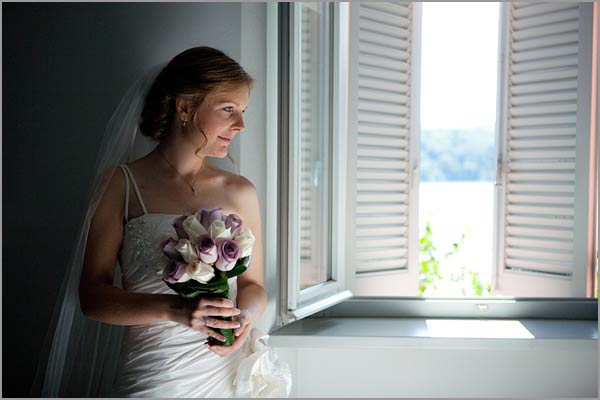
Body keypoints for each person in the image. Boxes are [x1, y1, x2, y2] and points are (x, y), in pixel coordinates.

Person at [70, 46, 278, 397]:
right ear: (184, 106)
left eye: (242, 111)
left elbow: (253, 286)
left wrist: (245, 318)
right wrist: (175, 308)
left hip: (223, 372)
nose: (241, 125)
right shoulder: (120, 185)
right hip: (155, 374)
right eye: (228, 109)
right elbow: (92, 298)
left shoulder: (240, 191)